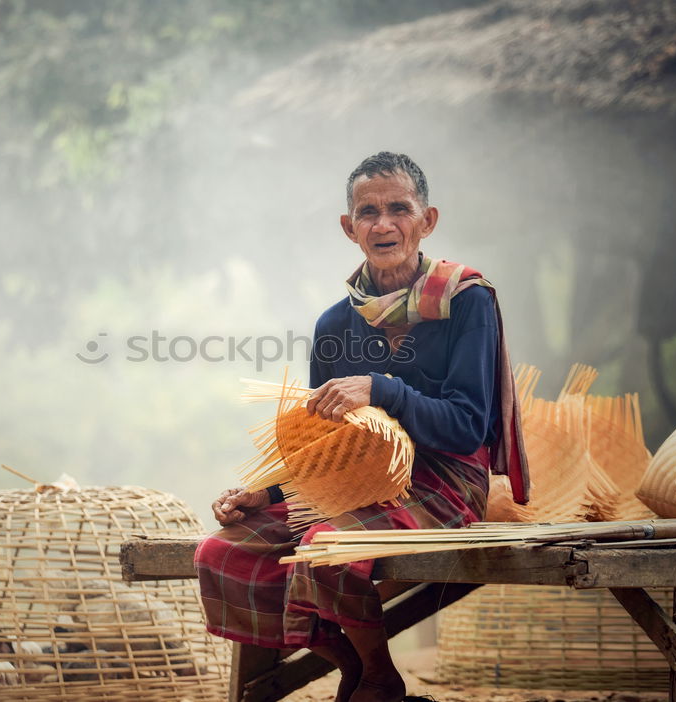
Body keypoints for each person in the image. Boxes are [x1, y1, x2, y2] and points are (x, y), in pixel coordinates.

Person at [194, 152, 529, 702]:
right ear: (349, 228)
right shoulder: (335, 323)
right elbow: (322, 446)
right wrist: (267, 490)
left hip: (444, 482)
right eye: (368, 212)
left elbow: (469, 426)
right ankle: (364, 668)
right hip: (350, 485)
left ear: (428, 220)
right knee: (222, 553)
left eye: (400, 208)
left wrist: (382, 388)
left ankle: (373, 674)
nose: (384, 223)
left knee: (326, 546)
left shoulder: (466, 303)